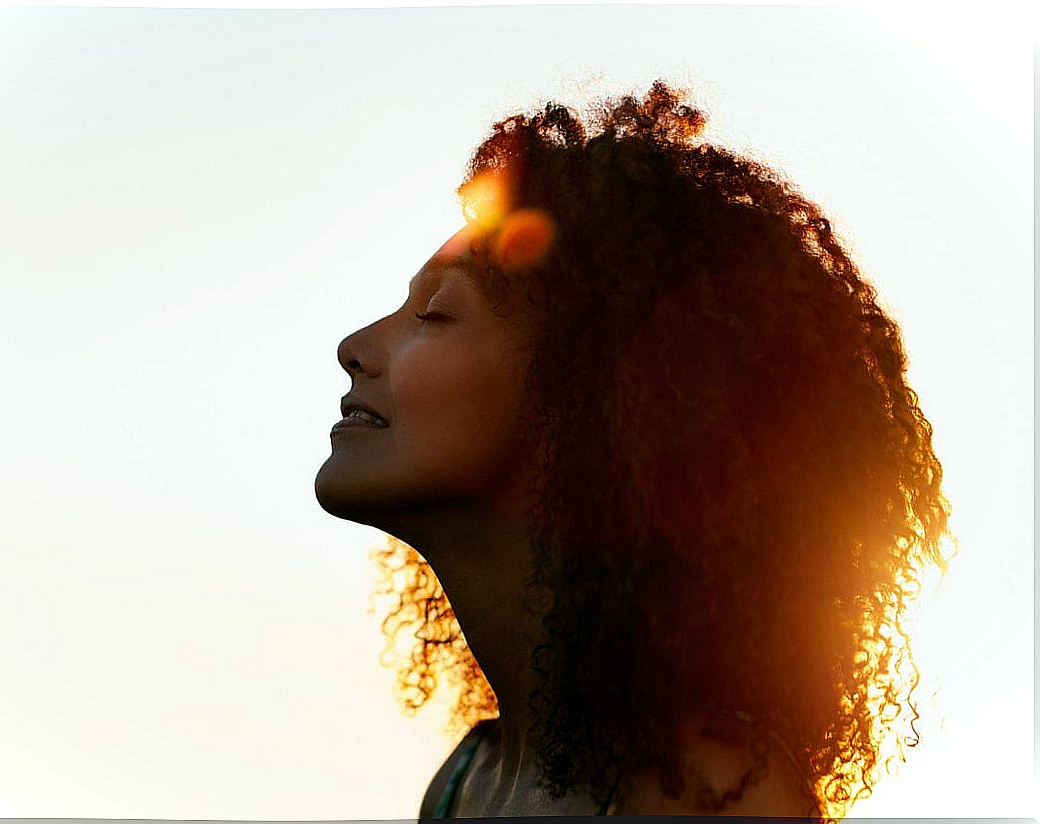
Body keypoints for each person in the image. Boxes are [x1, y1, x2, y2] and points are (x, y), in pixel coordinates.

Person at [313, 80, 954, 820]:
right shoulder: (465, 783)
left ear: (584, 393)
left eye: (433, 313)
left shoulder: (710, 796)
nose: (354, 349)